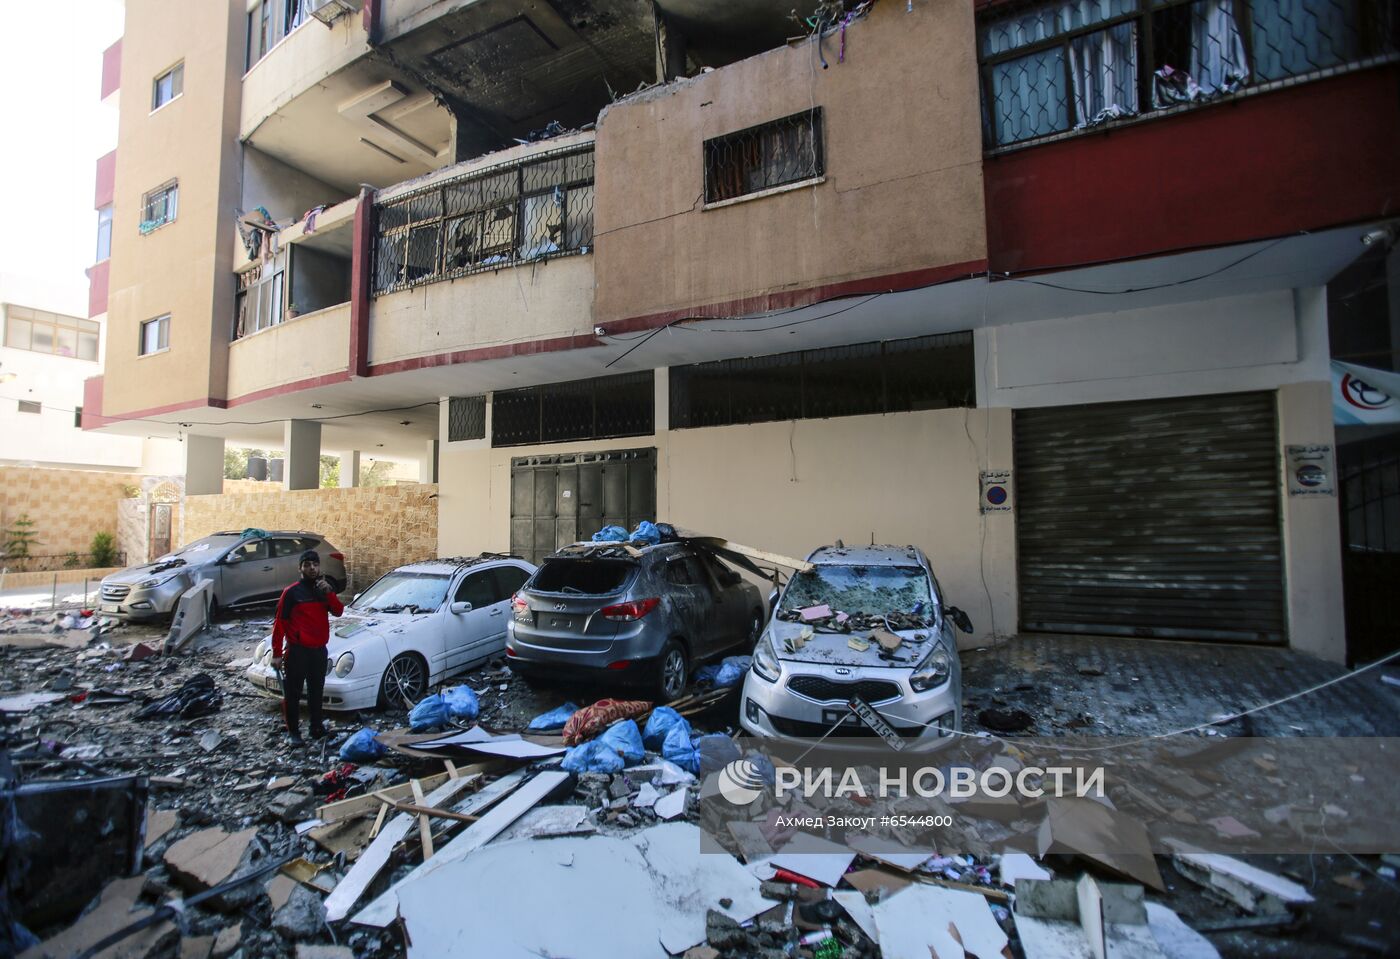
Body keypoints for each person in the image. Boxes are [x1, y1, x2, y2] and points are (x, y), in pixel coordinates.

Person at [271, 549, 343, 744]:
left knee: (316, 692)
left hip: (319, 650)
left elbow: (338, 612)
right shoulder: (292, 593)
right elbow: (280, 624)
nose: (312, 568)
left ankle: (316, 728)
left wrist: (329, 593)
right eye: (307, 565)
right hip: (297, 651)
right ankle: (293, 732)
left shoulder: (324, 590)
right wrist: (277, 653)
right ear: (300, 568)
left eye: (315, 564)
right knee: (293, 693)